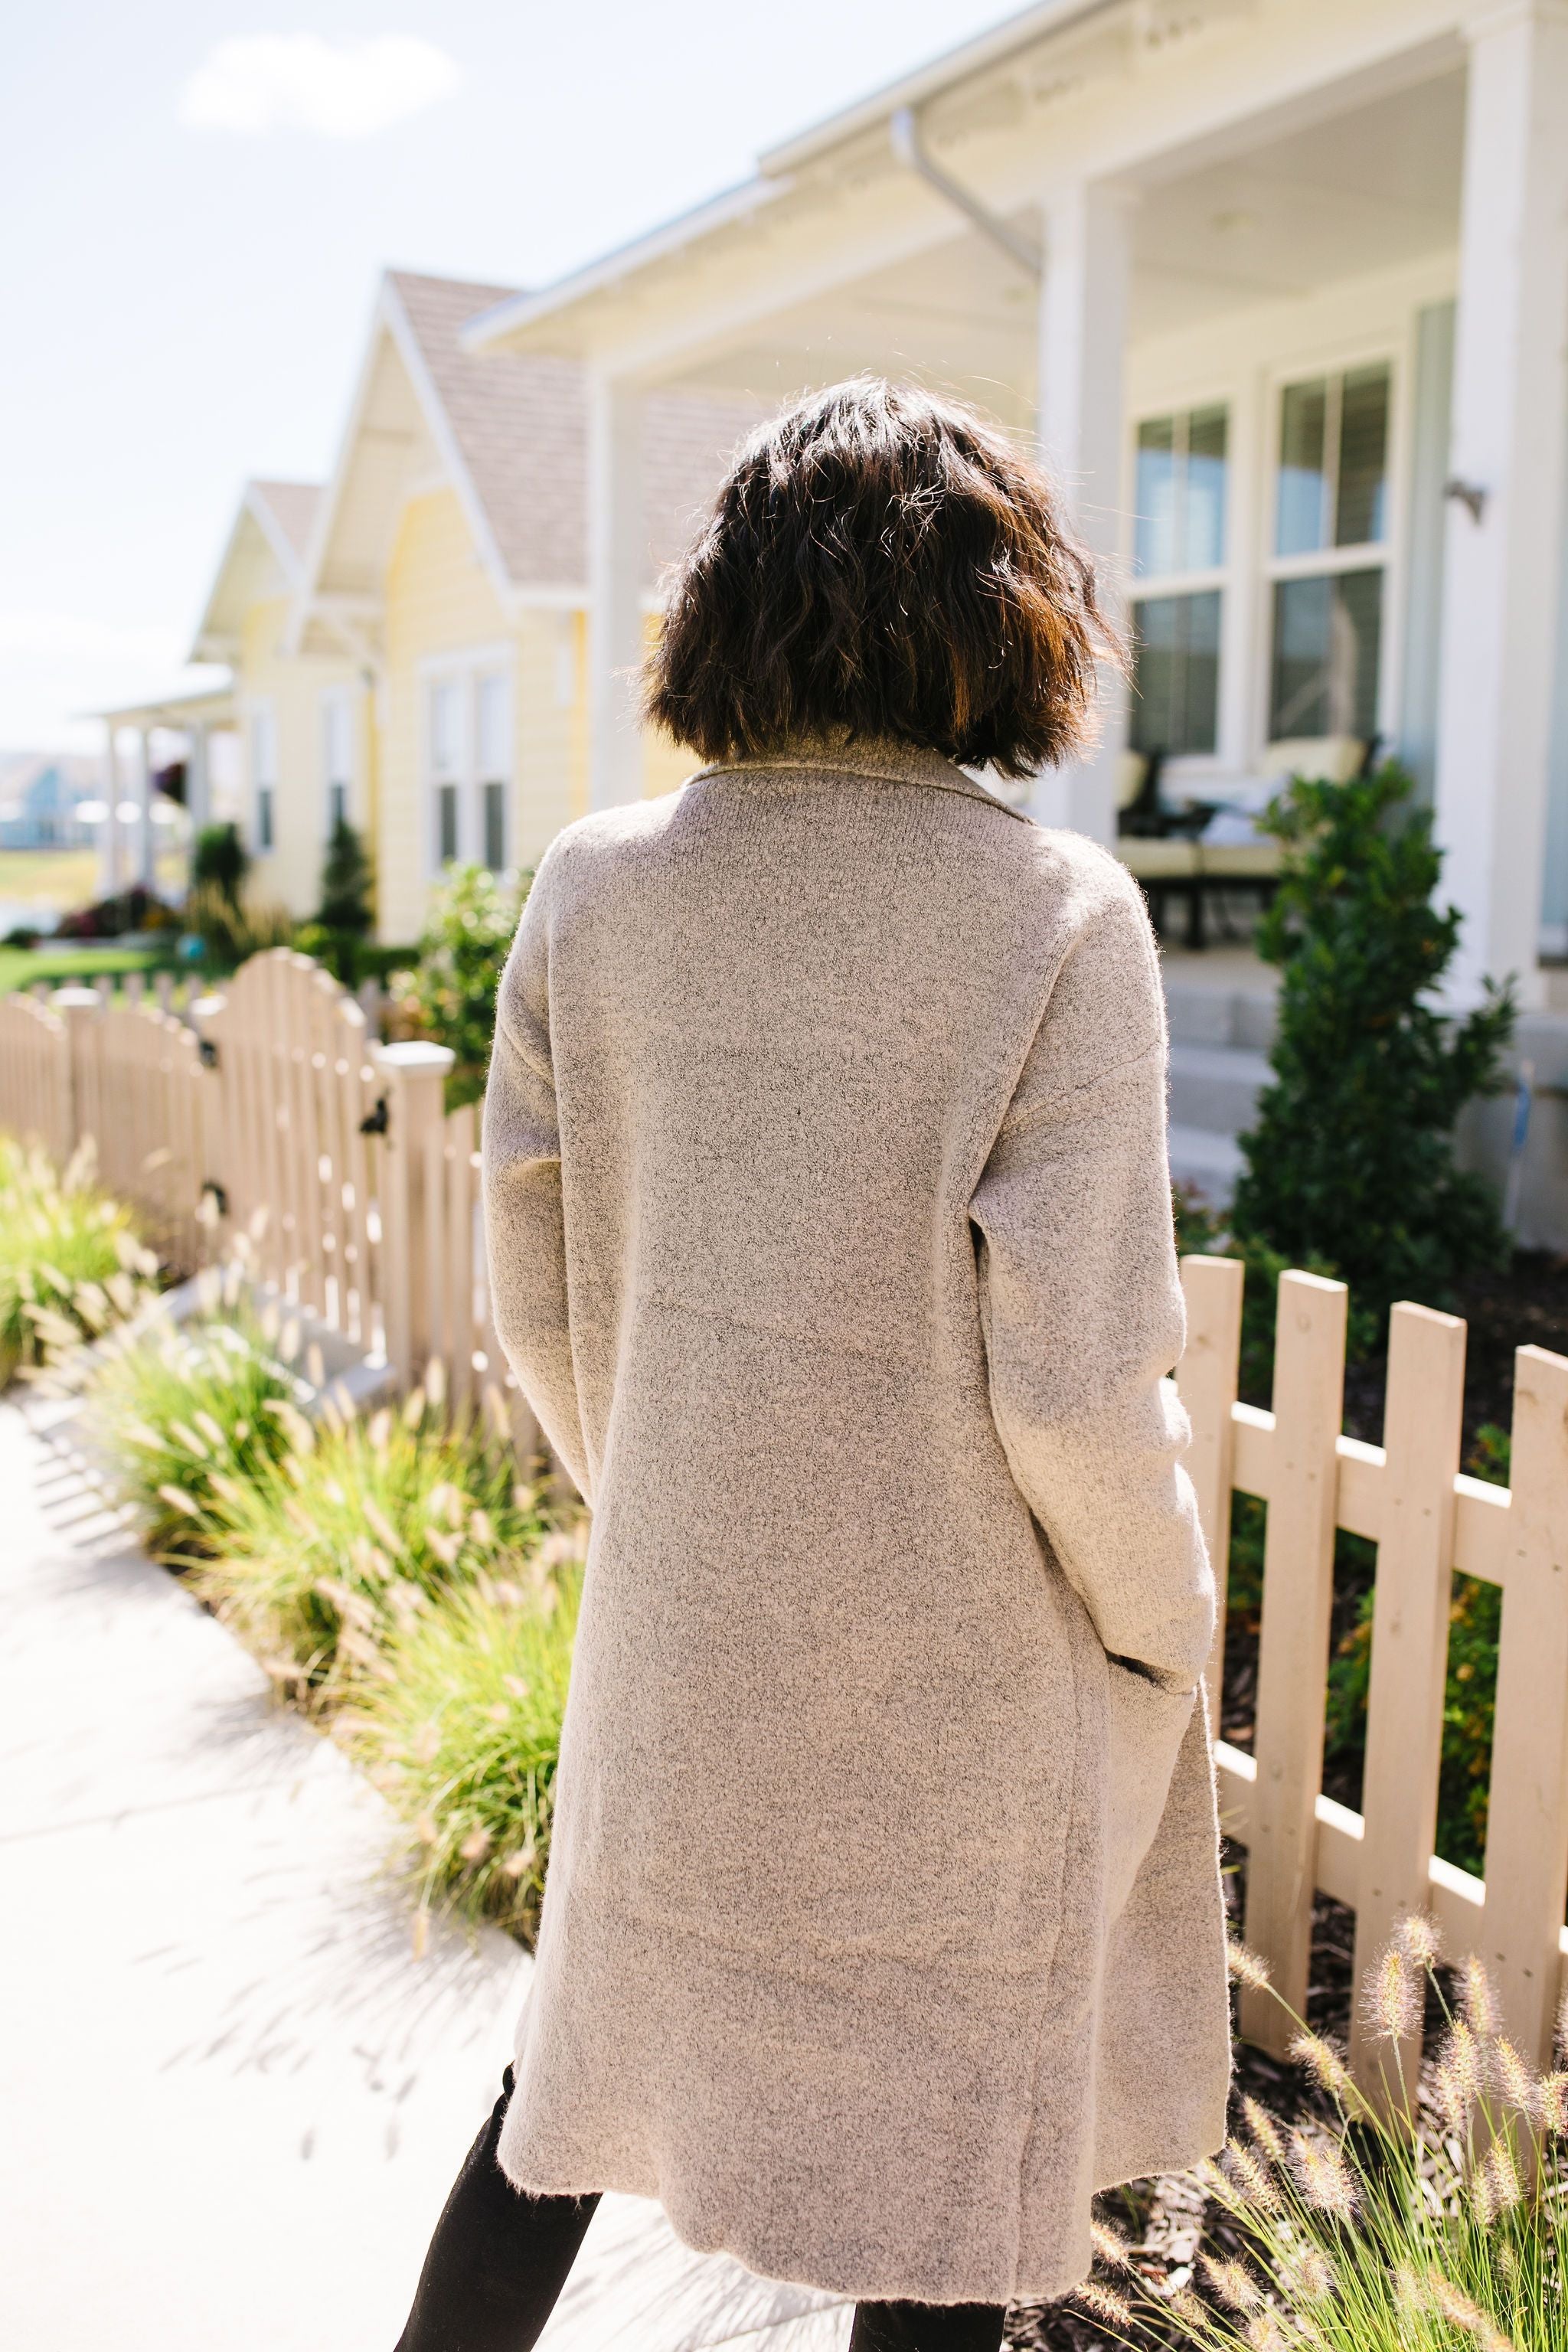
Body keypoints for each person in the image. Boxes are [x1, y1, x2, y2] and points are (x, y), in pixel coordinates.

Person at [395, 377, 1230, 2352]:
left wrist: (683, 1496)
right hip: (960, 1688)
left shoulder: (594, 889)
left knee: (564, 2101)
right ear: (1010, 611)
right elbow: (1077, 1382)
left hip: (683, 1645)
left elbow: (538, 1293)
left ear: (728, 600)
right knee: (937, 2190)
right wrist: (1163, 1622)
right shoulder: (1055, 916)